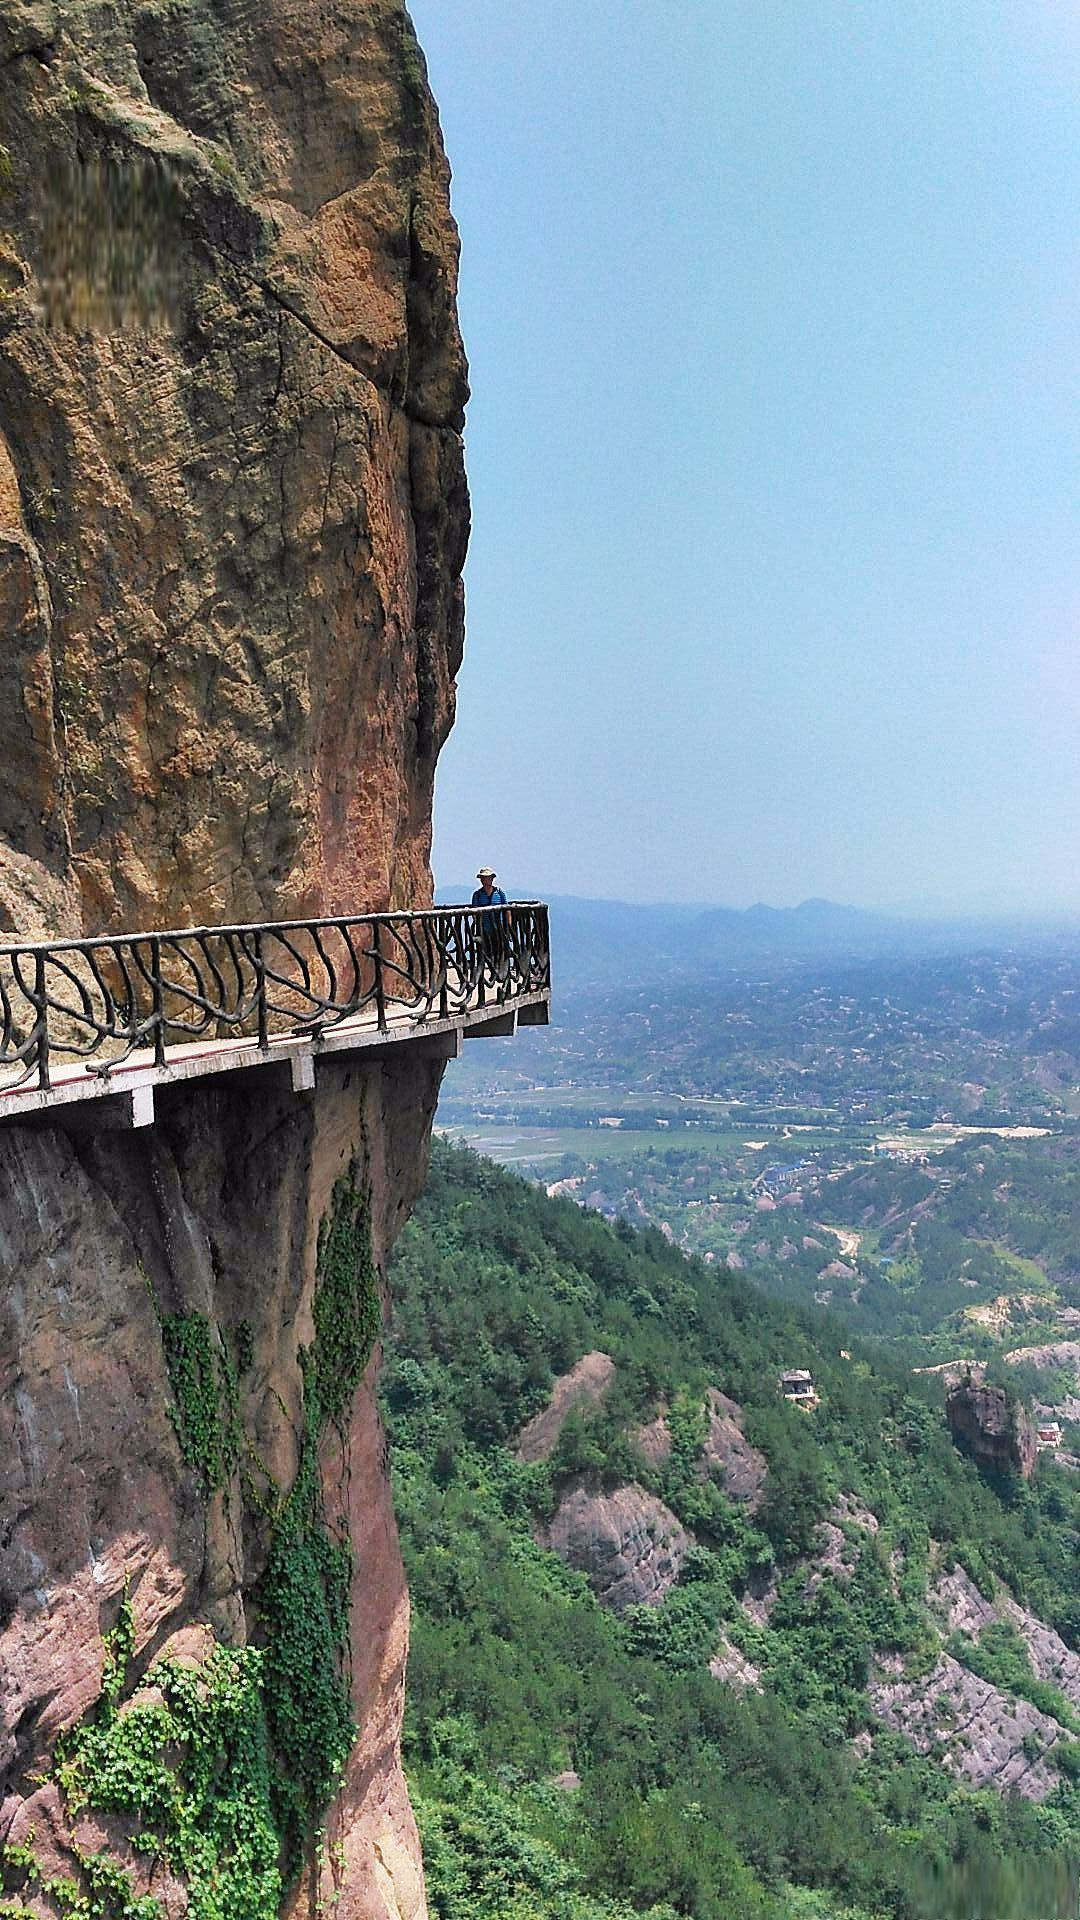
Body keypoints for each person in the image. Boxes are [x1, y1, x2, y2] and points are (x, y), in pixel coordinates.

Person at [471, 865, 509, 987]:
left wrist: (508, 926)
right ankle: (491, 973)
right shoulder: (477, 895)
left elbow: (506, 909)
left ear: (492, 879)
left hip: (499, 928)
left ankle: (499, 972)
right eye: (483, 878)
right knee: (487, 951)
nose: (485, 880)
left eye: (487, 878)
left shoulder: (500, 893)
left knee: (498, 950)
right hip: (484, 928)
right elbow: (475, 911)